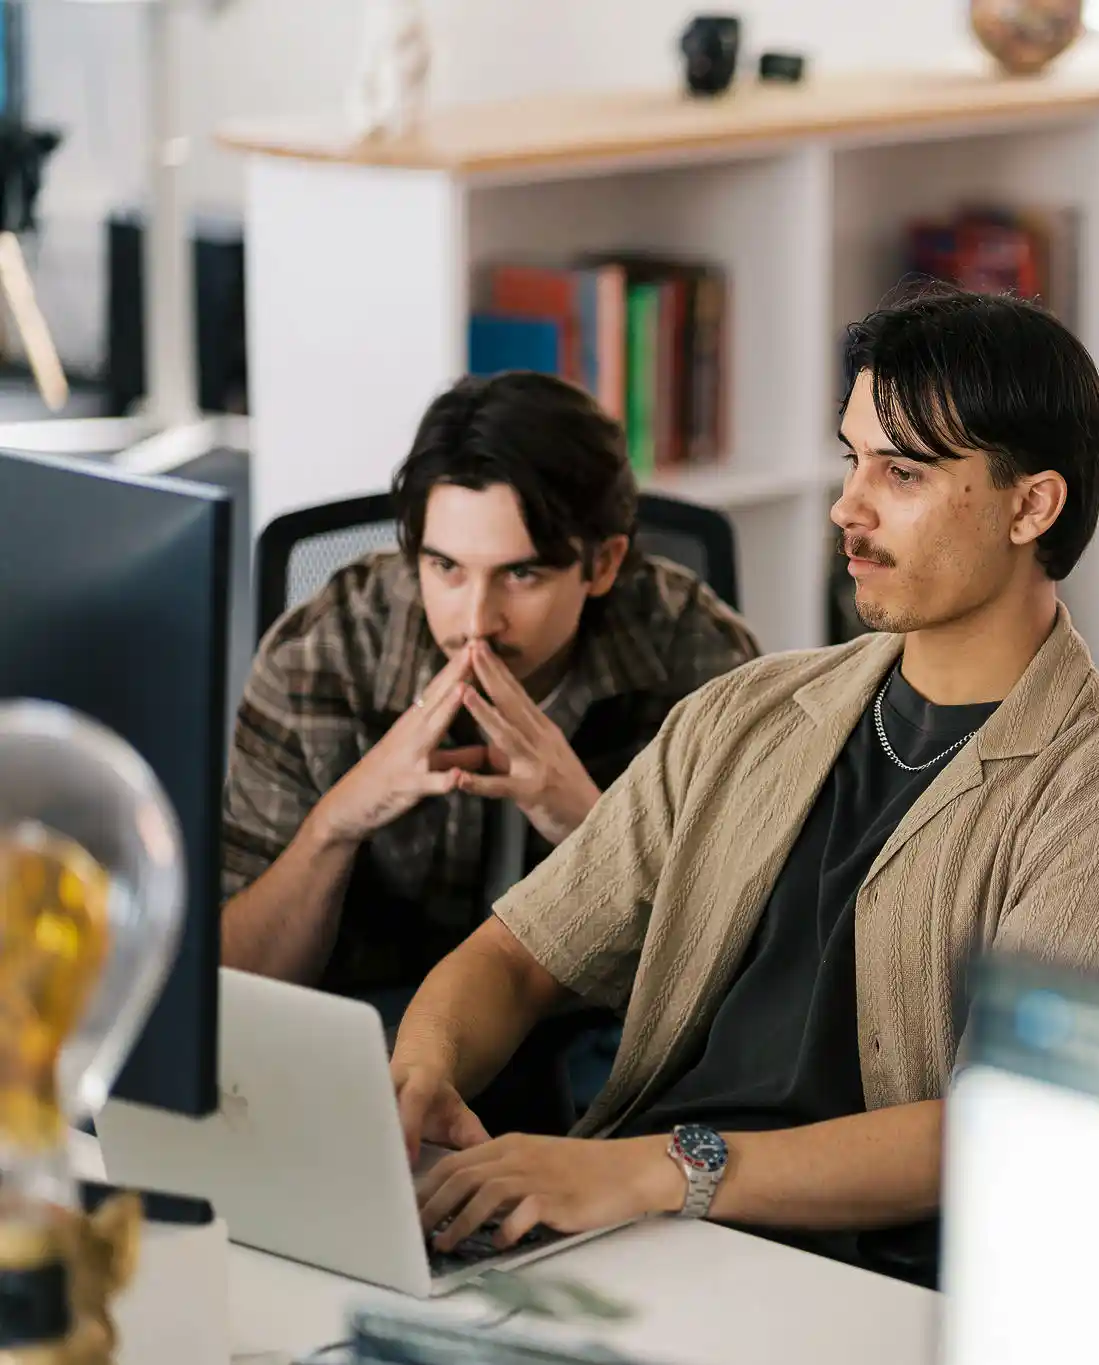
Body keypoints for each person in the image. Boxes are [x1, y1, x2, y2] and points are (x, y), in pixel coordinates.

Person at [393, 285, 1099, 1288]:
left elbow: (997, 1130)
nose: (848, 506)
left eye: (901, 471)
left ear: (1030, 505)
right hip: (631, 1234)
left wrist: (655, 1174)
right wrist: (420, 1076)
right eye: (850, 457)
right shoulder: (742, 715)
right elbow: (521, 956)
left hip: (860, 1287)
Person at [220, 371, 759, 1129]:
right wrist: (337, 821)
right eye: (444, 568)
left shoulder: (696, 657)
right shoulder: (327, 650)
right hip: (369, 1048)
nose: (476, 620)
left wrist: (590, 826)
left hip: (602, 1058)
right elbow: (232, 987)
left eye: (522, 574)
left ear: (602, 565)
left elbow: (745, 980)